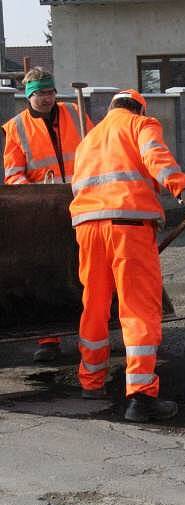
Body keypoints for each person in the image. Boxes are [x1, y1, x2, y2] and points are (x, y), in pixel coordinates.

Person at [69, 88, 185, 422]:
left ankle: (91, 381)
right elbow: (156, 158)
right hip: (129, 227)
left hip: (88, 228)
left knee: (96, 304)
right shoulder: (141, 125)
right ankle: (141, 397)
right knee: (138, 308)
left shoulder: (89, 138)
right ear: (138, 108)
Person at [2, 67, 93, 363]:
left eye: (50, 92)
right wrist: (36, 196)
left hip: (81, 200)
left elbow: (96, 149)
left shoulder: (75, 114)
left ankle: (90, 333)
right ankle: (49, 338)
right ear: (28, 95)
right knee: (44, 273)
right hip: (41, 213)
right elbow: (13, 174)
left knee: (85, 270)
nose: (46, 98)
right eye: (40, 93)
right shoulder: (16, 128)